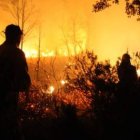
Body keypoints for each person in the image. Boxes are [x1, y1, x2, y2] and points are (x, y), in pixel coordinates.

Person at [0, 24, 31, 139]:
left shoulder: (0, 50)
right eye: (19, 36)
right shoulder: (17, 54)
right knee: (12, 132)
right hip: (8, 100)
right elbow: (24, 81)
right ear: (17, 37)